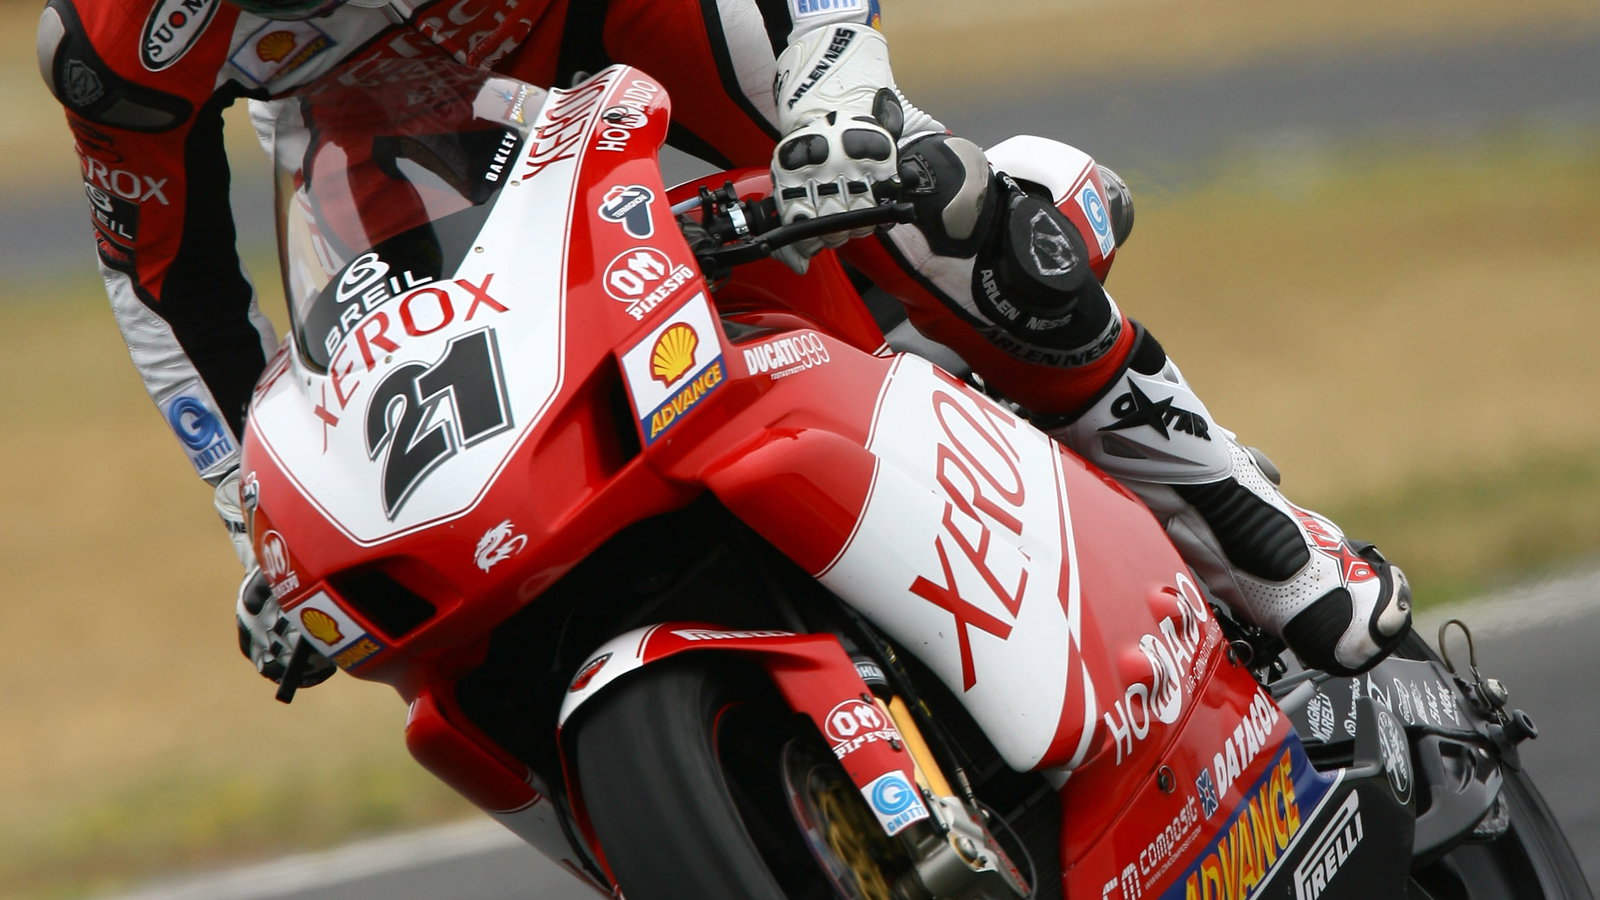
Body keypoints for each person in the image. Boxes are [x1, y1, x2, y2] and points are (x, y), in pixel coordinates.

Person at [38, 0, 1410, 690]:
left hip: (631, 18)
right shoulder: (114, 40)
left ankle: (1258, 527)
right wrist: (250, 519)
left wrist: (839, 91)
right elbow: (163, 284)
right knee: (411, 516)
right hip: (377, 140)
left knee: (927, 198)